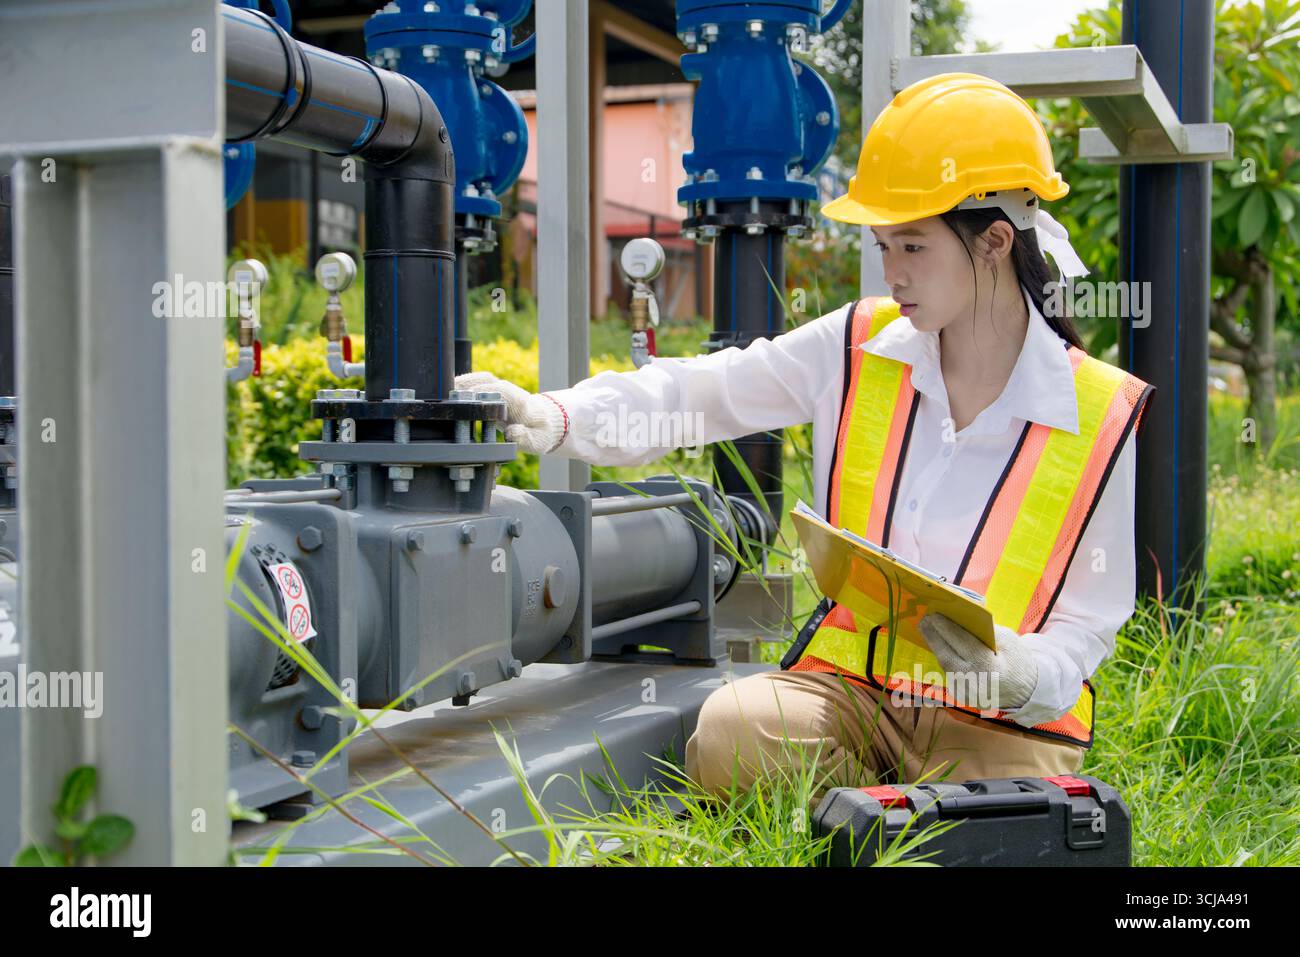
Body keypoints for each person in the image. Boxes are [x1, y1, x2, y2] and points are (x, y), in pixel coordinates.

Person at [456, 72, 1153, 803]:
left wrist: (1021, 673)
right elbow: (704, 392)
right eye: (884, 246)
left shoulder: (1098, 409)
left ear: (996, 241)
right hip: (847, 700)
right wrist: (553, 415)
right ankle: (875, 820)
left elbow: (1087, 621)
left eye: (912, 247)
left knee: (1011, 812)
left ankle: (879, 818)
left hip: (999, 725)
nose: (893, 272)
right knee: (736, 728)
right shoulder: (859, 343)